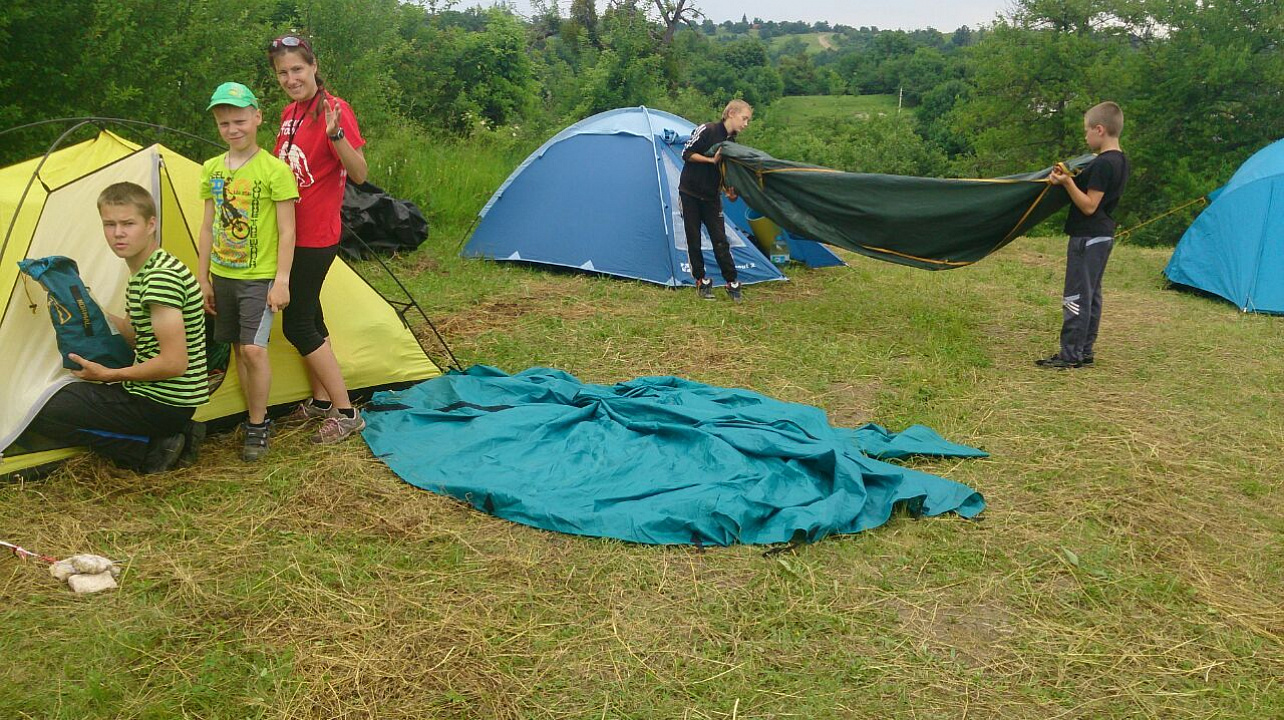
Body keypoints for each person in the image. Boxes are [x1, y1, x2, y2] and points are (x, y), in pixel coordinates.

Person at [21, 183, 208, 473]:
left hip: (162, 403)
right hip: (157, 396)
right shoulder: (144, 271)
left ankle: (150, 448)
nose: (118, 233)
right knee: (52, 395)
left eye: (128, 223)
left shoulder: (159, 279)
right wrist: (89, 308)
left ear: (150, 224)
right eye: (110, 224)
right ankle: (171, 434)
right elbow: (138, 337)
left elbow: (174, 362)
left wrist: (109, 375)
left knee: (42, 412)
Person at [267, 33, 369, 443]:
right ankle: (322, 402)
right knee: (311, 316)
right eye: (282, 72)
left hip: (315, 234)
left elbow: (360, 174)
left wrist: (336, 135)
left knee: (297, 325)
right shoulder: (288, 113)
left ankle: (347, 413)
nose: (291, 78)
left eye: (297, 69)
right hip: (289, 232)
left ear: (313, 67)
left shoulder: (335, 109)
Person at [197, 81, 299, 460]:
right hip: (223, 275)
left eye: (239, 120)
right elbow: (207, 226)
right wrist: (203, 277)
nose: (233, 129)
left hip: (260, 277)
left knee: (254, 351)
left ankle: (258, 425)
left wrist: (282, 280)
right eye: (224, 123)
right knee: (239, 349)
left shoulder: (275, 171)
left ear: (257, 117)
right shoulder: (211, 170)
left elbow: (289, 230)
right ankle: (251, 415)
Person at [1037, 101, 1130, 370]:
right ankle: (1084, 350)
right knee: (1091, 294)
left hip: (1088, 237)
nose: (1085, 137)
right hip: (1103, 235)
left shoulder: (1103, 164)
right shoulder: (1121, 161)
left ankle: (1070, 355)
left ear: (1099, 130)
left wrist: (1067, 183)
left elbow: (1089, 205)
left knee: (1077, 295)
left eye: (1087, 131)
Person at [680, 99, 753, 302]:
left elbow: (722, 171)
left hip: (712, 197)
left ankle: (732, 282)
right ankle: (701, 280)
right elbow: (686, 153)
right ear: (731, 113)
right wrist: (711, 159)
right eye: (744, 118)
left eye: (748, 120)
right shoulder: (708, 130)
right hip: (690, 193)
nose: (745, 124)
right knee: (693, 238)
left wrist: (728, 192)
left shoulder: (732, 144)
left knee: (720, 239)